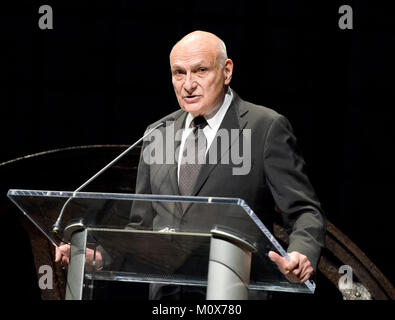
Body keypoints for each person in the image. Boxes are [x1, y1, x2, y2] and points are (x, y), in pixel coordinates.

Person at [56, 30, 326, 298]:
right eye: (179, 73)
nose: (188, 84)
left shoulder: (264, 128)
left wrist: (301, 252)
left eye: (200, 70)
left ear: (227, 71)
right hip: (167, 296)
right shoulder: (156, 133)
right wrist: (101, 256)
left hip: (233, 292)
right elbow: (142, 227)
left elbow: (304, 210)